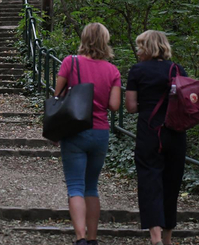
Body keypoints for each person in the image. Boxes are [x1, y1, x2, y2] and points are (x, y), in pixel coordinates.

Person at [53, 23, 122, 245]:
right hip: (100, 132)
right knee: (92, 186)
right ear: (105, 41)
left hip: (74, 130)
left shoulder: (69, 62)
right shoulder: (112, 70)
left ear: (84, 39)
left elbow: (57, 96)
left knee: (75, 186)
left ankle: (80, 238)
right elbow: (114, 105)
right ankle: (93, 239)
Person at [124, 30, 188, 245]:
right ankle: (168, 239)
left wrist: (147, 104)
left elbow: (131, 107)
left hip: (149, 132)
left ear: (146, 47)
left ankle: (155, 238)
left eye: (140, 46)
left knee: (150, 182)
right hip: (176, 133)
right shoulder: (177, 69)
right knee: (171, 184)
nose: (138, 50)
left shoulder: (137, 70)